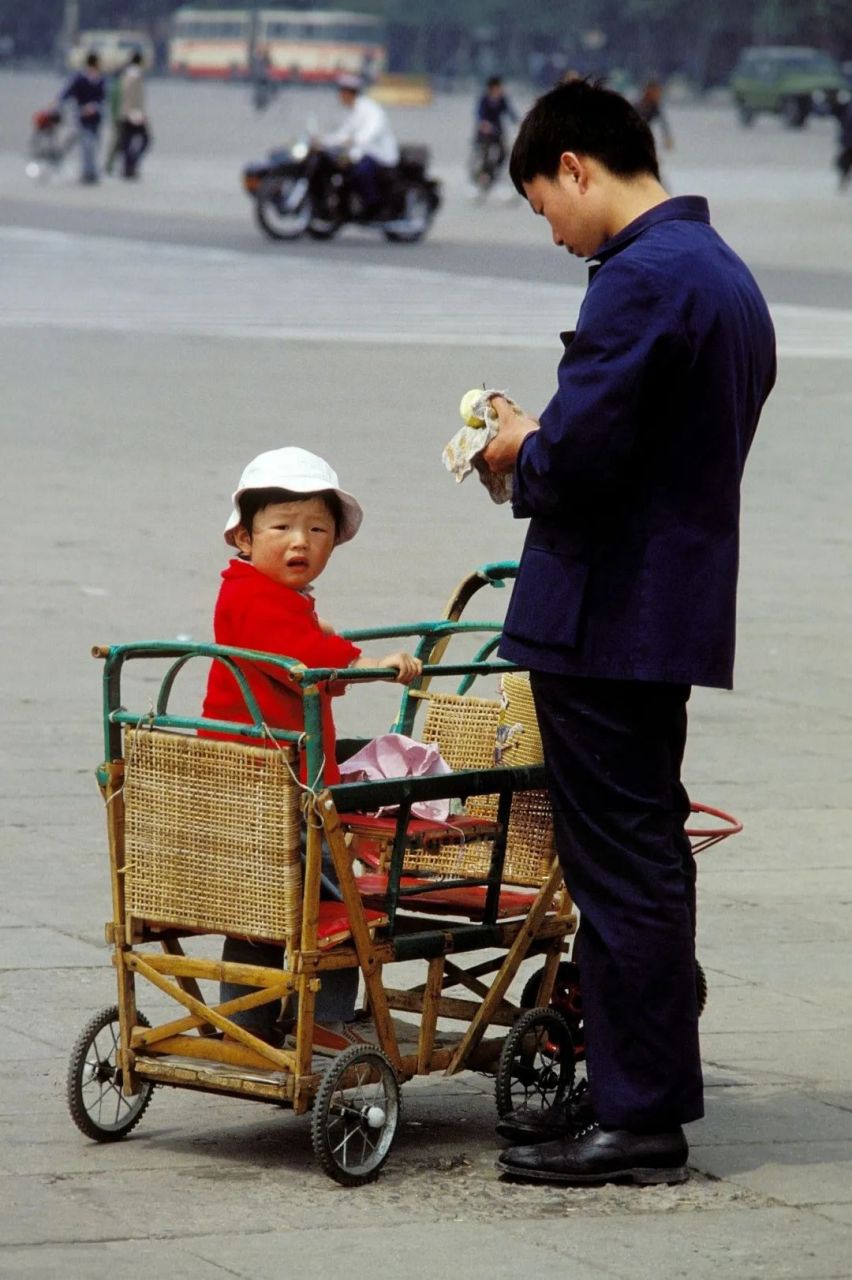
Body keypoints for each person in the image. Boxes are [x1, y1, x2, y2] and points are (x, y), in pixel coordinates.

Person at [481, 79, 776, 1186]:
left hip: (606, 616)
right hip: (668, 608)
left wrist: (518, 444)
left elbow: (584, 460)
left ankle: (642, 1115)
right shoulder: (723, 274)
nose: (550, 230)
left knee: (622, 867)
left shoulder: (642, 279)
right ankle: (634, 1083)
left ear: (576, 167)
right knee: (642, 854)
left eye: (540, 204)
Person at [201, 447, 422, 1053]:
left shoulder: (260, 594)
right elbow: (303, 659)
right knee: (335, 898)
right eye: (282, 528)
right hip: (279, 782)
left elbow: (308, 636)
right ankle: (327, 1020)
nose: (300, 541)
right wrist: (366, 663)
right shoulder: (254, 600)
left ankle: (245, 1020)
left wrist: (337, 644)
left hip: (263, 775)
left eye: (317, 530)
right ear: (244, 537)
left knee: (260, 903)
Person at [321, 73, 399, 216]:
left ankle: (373, 205)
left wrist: (352, 141)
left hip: (379, 155)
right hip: (360, 153)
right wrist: (323, 141)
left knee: (360, 172)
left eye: (342, 92)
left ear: (350, 93)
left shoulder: (371, 109)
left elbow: (370, 133)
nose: (339, 96)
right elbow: (342, 134)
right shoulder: (351, 112)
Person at [57, 51, 105, 184]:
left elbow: (102, 98)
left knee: (94, 144)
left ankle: (92, 170)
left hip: (96, 116)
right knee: (86, 145)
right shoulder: (80, 78)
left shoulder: (100, 79)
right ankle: (88, 172)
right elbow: (67, 93)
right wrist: (59, 103)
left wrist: (94, 106)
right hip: (82, 116)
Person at [472, 75, 518, 187]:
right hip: (485, 132)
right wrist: (484, 123)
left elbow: (510, 112)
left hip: (497, 131)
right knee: (486, 153)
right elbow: (479, 114)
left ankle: (492, 174)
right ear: (492, 88)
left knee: (503, 153)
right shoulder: (484, 99)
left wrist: (518, 122)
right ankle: (483, 175)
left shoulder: (502, 99)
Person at [116, 50, 150, 179]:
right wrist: (135, 113)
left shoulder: (128, 74)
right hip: (132, 114)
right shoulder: (133, 76)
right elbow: (131, 96)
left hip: (129, 113)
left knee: (127, 141)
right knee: (144, 139)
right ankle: (130, 165)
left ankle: (129, 166)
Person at [635, 78, 674, 151]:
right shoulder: (640, 106)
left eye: (659, 93)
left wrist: (667, 137)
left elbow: (663, 124)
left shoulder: (654, 107)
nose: (658, 96)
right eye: (655, 93)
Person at [834, 92, 852, 191]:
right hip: (848, 142)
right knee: (844, 164)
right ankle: (842, 183)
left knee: (844, 164)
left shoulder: (847, 107)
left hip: (847, 142)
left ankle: (843, 183)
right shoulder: (846, 107)